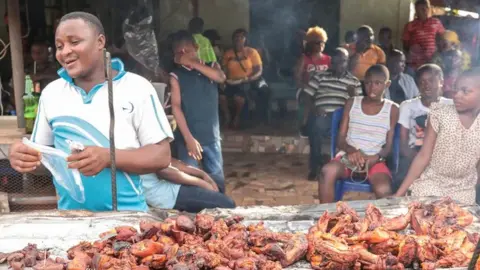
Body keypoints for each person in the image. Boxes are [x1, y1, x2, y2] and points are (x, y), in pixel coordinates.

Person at [8, 12, 172, 212]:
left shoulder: (136, 88)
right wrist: (24, 158)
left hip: (128, 221)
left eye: (74, 42)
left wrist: (108, 158)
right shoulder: (52, 94)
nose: (65, 52)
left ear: (100, 41)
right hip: (71, 220)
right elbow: (43, 162)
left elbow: (161, 156)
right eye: (59, 46)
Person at [395, 68, 480, 205]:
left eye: (465, 91)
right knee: (425, 220)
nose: (457, 95)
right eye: (456, 90)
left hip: (464, 191)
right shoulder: (439, 114)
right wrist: (399, 194)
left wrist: (471, 188)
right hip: (431, 186)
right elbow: (423, 156)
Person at [318, 65, 399, 203]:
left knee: (383, 189)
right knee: (327, 171)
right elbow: (341, 139)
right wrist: (352, 151)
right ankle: (327, 218)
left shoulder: (392, 109)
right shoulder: (352, 103)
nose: (372, 87)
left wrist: (377, 158)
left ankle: (383, 222)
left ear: (387, 84)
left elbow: (388, 146)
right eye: (368, 83)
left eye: (378, 83)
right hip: (348, 157)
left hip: (374, 160)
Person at [169, 30, 227, 193]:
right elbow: (176, 107)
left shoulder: (211, 68)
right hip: (188, 138)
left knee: (216, 178)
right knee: (191, 180)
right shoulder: (176, 76)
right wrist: (189, 139)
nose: (183, 55)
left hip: (211, 137)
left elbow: (220, 77)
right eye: (179, 53)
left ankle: (220, 209)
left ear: (196, 47)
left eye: (186, 51)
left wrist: (194, 63)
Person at [302, 48, 362, 180]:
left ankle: (344, 168)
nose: (339, 65)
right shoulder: (319, 76)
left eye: (343, 62)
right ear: (331, 63)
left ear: (347, 62)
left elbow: (359, 106)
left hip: (342, 118)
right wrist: (314, 109)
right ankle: (315, 167)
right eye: (336, 62)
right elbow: (305, 96)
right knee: (316, 125)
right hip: (322, 114)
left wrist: (353, 95)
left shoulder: (354, 82)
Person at [394, 64, 452, 192]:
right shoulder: (408, 106)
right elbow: (403, 145)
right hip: (413, 155)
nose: (426, 85)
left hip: (443, 157)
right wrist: (420, 161)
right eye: (421, 82)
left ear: (441, 82)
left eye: (431, 80)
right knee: (401, 179)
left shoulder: (451, 106)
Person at [145, 158, 235, 213]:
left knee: (218, 181)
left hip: (165, 179)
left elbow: (168, 160)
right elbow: (164, 171)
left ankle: (213, 209)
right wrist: (201, 183)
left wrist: (202, 174)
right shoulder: (151, 130)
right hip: (161, 193)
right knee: (228, 204)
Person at [221, 28, 265, 129]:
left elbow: (259, 70)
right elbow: (223, 69)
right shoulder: (228, 53)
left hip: (246, 81)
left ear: (245, 40)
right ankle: (227, 117)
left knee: (239, 97)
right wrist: (223, 80)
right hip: (231, 82)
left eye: (241, 37)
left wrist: (249, 79)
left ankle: (237, 118)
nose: (238, 40)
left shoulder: (252, 52)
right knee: (221, 96)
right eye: (236, 37)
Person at [295, 26, 331, 137]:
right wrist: (307, 88)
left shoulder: (329, 59)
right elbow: (297, 78)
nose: (321, 45)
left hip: (324, 90)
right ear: (310, 43)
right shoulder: (304, 59)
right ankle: (304, 127)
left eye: (322, 42)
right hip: (305, 89)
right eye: (317, 42)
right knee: (308, 99)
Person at [403, 0, 445, 73]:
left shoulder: (436, 22)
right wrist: (412, 54)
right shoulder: (410, 25)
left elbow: (442, 39)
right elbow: (405, 43)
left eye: (426, 8)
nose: (425, 10)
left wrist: (437, 54)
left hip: (431, 61)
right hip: (414, 64)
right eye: (421, 9)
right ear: (416, 10)